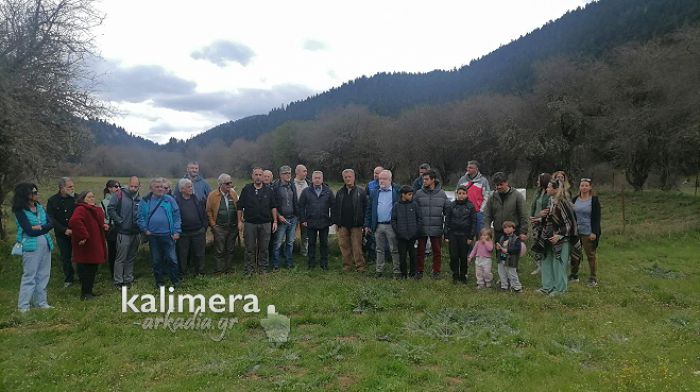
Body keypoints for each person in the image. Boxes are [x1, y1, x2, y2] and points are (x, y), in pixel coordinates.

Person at [13, 183, 54, 312]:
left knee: (44, 274)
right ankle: (23, 306)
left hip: (45, 243)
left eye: (36, 191)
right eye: (33, 192)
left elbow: (50, 224)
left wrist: (40, 227)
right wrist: (42, 227)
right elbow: (29, 231)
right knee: (29, 275)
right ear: (25, 195)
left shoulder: (40, 207)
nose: (36, 194)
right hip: (30, 245)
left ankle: (41, 303)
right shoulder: (20, 211)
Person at [534, 179, 580, 296]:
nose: (547, 189)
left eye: (549, 187)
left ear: (555, 189)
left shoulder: (563, 203)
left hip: (562, 240)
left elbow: (571, 223)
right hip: (548, 237)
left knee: (558, 263)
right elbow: (551, 221)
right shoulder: (551, 202)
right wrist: (540, 217)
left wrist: (559, 235)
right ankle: (547, 287)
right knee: (546, 261)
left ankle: (560, 290)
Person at [138, 178, 182, 288]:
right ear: (151, 188)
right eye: (157, 187)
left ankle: (175, 281)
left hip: (169, 235)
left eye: (162, 187)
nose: (160, 189)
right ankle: (159, 283)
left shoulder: (169, 200)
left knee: (172, 259)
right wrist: (145, 230)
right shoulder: (145, 200)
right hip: (153, 236)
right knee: (156, 260)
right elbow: (140, 217)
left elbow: (177, 217)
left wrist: (177, 231)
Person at [237, 168, 278, 277]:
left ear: (263, 176)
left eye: (260, 174)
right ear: (252, 176)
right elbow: (240, 206)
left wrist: (275, 221)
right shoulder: (246, 189)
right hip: (250, 223)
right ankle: (248, 270)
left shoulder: (269, 190)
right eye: (256, 174)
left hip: (265, 223)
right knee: (249, 248)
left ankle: (262, 269)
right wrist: (239, 221)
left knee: (264, 248)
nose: (258, 176)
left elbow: (273, 206)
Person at [69, 191, 108, 301]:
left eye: (93, 196)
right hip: (87, 245)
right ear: (83, 199)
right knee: (87, 270)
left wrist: (103, 225)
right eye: (89, 197)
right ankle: (85, 294)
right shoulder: (81, 209)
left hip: (95, 243)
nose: (92, 198)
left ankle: (89, 292)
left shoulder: (93, 209)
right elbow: (75, 221)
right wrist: (83, 235)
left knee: (92, 269)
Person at [364, 170, 401, 278]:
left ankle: (397, 271)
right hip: (378, 226)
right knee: (379, 249)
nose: (381, 181)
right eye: (380, 179)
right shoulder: (375, 192)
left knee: (394, 249)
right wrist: (367, 224)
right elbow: (369, 209)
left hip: (391, 226)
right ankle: (379, 270)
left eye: (384, 179)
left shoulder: (396, 192)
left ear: (390, 180)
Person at [414, 169, 449, 279]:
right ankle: (419, 271)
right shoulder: (418, 194)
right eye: (423, 179)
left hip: (436, 227)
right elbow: (414, 210)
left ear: (433, 180)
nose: (424, 181)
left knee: (437, 252)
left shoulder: (442, 194)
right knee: (420, 252)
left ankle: (436, 272)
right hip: (422, 228)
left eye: (426, 179)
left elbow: (447, 210)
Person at [108, 176, 141, 289]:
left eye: (136, 186)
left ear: (139, 186)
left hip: (135, 232)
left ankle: (128, 279)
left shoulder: (139, 198)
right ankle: (118, 281)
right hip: (123, 232)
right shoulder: (119, 195)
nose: (133, 188)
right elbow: (110, 209)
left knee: (131, 257)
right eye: (131, 186)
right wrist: (120, 221)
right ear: (128, 184)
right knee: (121, 258)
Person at [299, 171, 335, 270]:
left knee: (324, 243)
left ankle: (324, 263)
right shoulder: (306, 191)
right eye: (315, 178)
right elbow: (301, 206)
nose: (317, 180)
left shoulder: (328, 191)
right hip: (310, 222)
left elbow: (333, 206)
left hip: (324, 222)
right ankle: (311, 263)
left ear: (322, 179)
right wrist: (303, 219)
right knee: (311, 243)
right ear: (312, 179)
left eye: (319, 178)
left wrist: (331, 220)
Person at [333, 169, 367, 273]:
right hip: (342, 224)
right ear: (343, 178)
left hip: (356, 224)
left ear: (354, 177)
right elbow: (336, 208)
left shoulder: (361, 192)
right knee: (344, 247)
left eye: (349, 177)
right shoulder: (339, 192)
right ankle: (347, 267)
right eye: (345, 177)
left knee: (357, 247)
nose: (348, 179)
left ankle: (360, 267)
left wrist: (365, 225)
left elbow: (366, 208)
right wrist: (336, 222)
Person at [570, 177, 602, 287]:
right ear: (579, 187)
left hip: (588, 232)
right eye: (582, 185)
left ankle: (593, 277)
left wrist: (594, 232)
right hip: (576, 232)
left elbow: (597, 218)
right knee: (575, 255)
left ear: (590, 187)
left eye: (586, 185)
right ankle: (574, 275)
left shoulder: (594, 200)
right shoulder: (574, 200)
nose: (584, 187)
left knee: (590, 255)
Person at [206, 174, 239, 275]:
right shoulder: (212, 195)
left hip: (233, 227)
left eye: (230, 183)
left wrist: (240, 221)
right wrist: (213, 225)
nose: (230, 185)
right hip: (219, 227)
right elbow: (208, 211)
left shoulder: (233, 194)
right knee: (219, 250)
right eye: (227, 183)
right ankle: (218, 270)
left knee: (230, 249)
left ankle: (229, 269)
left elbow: (239, 208)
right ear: (220, 184)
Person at [483, 172, 528, 245]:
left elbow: (523, 215)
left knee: (512, 255)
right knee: (499, 256)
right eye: (497, 185)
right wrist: (487, 230)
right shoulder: (492, 197)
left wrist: (523, 232)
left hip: (513, 233)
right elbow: (487, 215)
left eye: (501, 184)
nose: (499, 187)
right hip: (498, 233)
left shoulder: (517, 196)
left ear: (506, 183)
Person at [46, 177, 76, 288]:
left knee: (80, 255)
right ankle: (69, 279)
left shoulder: (76, 198)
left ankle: (83, 276)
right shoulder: (52, 200)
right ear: (62, 188)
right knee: (66, 256)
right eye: (69, 187)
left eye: (73, 186)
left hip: (76, 233)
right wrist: (64, 229)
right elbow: (51, 218)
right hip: (62, 234)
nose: (72, 188)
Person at [175, 178, 208, 277]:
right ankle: (182, 273)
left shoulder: (196, 199)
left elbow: (204, 213)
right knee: (182, 255)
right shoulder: (176, 201)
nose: (191, 188)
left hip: (198, 231)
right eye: (188, 187)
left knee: (199, 254)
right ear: (182, 189)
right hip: (183, 233)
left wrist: (204, 227)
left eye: (191, 186)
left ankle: (200, 272)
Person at [445, 185, 477, 284]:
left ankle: (463, 275)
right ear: (456, 194)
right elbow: (447, 220)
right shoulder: (451, 205)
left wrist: (470, 236)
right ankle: (455, 274)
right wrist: (446, 235)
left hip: (465, 235)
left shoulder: (471, 206)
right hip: (453, 234)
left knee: (463, 257)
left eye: (463, 193)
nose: (461, 195)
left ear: (467, 194)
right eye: (459, 193)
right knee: (454, 256)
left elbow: (473, 222)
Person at [272, 166, 300, 270]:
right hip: (281, 220)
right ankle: (275, 265)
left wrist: (297, 216)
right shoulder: (275, 187)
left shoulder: (292, 185)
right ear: (280, 175)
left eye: (289, 173)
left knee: (290, 242)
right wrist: (279, 216)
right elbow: (273, 204)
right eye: (285, 173)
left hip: (292, 218)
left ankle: (289, 263)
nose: (288, 175)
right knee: (278, 242)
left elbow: (295, 201)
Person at [391, 185, 422, 279]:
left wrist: (416, 231)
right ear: (403, 195)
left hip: (413, 236)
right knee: (402, 256)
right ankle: (403, 274)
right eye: (409, 194)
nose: (411, 196)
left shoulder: (415, 204)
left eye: (411, 194)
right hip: (401, 237)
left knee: (413, 256)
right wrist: (398, 232)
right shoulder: (396, 205)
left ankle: (413, 273)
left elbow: (419, 218)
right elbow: (393, 220)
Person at [456, 161, 490, 234]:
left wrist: (481, 209)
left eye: (471, 168)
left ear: (476, 169)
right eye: (467, 167)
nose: (468, 169)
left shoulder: (483, 181)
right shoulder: (462, 180)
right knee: (466, 235)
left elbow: (487, 196)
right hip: (464, 212)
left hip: (478, 212)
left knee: (480, 234)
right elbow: (456, 193)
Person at [529, 173, 551, 275]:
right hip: (535, 222)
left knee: (543, 244)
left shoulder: (549, 193)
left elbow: (548, 210)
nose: (537, 182)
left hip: (544, 222)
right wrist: (531, 216)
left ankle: (546, 266)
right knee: (535, 243)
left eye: (539, 180)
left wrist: (539, 218)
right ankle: (539, 265)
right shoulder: (538, 192)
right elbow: (533, 205)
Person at [101, 179, 121, 278]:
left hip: (121, 227)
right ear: (109, 188)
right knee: (113, 251)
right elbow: (102, 216)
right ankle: (113, 272)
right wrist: (105, 224)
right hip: (111, 229)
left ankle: (121, 272)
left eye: (119, 186)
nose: (118, 188)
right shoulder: (104, 202)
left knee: (121, 251)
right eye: (116, 186)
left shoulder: (121, 199)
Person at [496, 221, 523, 293]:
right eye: (505, 228)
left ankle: (517, 287)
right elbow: (500, 247)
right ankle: (504, 286)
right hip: (502, 258)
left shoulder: (516, 239)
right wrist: (498, 248)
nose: (507, 229)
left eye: (509, 227)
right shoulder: (502, 237)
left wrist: (508, 250)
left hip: (511, 259)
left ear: (513, 229)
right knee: (502, 273)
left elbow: (517, 249)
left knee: (512, 273)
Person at [293, 164, 310, 257]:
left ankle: (304, 252)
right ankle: (289, 252)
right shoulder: (291, 184)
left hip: (305, 213)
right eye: (304, 171)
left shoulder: (309, 184)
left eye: (306, 171)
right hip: (293, 213)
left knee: (305, 235)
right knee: (290, 234)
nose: (306, 173)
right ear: (297, 172)